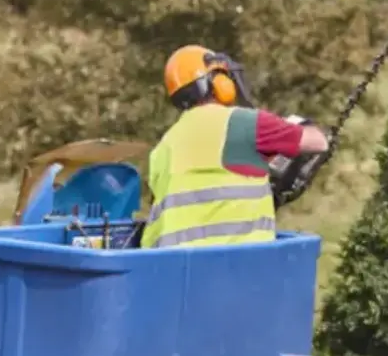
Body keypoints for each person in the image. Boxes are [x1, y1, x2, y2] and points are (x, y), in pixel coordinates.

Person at [140, 45, 329, 250]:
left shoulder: (163, 146)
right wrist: (292, 126)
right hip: (236, 264)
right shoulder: (243, 122)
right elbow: (319, 142)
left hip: (174, 266)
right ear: (216, 82)